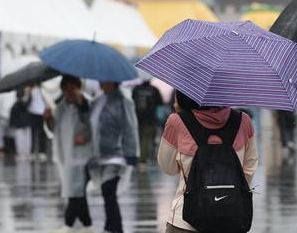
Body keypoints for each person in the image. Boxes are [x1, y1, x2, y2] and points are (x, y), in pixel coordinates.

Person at [158, 90, 259, 233]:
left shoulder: (176, 122)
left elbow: (168, 167)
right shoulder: (243, 121)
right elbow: (248, 170)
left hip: (185, 220)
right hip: (231, 218)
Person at [88, 81, 139, 233]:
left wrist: (131, 154)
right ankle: (111, 226)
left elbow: (130, 128)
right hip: (98, 155)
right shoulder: (97, 101)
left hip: (117, 155)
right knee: (106, 192)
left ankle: (114, 227)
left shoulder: (124, 102)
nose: (100, 82)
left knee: (108, 189)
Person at [53, 76, 94, 233]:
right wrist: (48, 118)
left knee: (76, 190)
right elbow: (53, 129)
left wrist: (86, 136)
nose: (70, 92)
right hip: (68, 156)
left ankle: (68, 224)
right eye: (66, 89)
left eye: (73, 88)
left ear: (79, 87)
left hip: (86, 156)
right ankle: (87, 225)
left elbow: (94, 125)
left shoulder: (87, 104)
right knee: (76, 190)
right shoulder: (60, 107)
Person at [131, 79, 163, 164]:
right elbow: (160, 104)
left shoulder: (136, 89)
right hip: (150, 119)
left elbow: (132, 102)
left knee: (139, 137)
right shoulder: (154, 90)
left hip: (137, 117)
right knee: (147, 138)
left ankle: (140, 155)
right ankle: (143, 157)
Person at [9, 89, 32, 161]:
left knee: (20, 142)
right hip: (26, 125)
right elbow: (29, 102)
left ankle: (21, 155)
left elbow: (12, 118)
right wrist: (30, 93)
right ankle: (27, 155)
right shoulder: (24, 104)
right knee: (27, 142)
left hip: (19, 127)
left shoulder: (14, 106)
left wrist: (12, 125)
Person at [28, 85, 48, 161]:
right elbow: (28, 101)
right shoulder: (31, 90)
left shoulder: (44, 89)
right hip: (33, 112)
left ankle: (42, 151)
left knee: (42, 133)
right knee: (33, 133)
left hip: (42, 112)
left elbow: (47, 100)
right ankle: (33, 152)